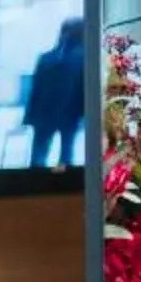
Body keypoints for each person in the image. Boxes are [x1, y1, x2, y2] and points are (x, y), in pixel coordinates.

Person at [22, 15, 85, 168]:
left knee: (38, 154)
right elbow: (83, 92)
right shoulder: (83, 59)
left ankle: (35, 185)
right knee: (66, 154)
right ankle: (62, 185)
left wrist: (29, 116)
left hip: (44, 115)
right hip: (70, 115)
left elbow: (35, 92)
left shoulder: (45, 58)